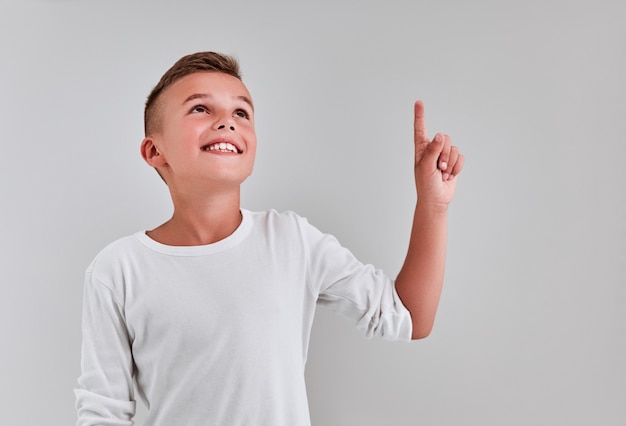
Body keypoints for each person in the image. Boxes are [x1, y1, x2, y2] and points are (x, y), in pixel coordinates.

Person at [75, 51, 464, 426]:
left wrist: (433, 205)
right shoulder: (118, 269)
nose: (227, 122)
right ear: (154, 150)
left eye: (241, 112)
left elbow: (410, 317)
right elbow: (103, 410)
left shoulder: (292, 240)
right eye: (200, 108)